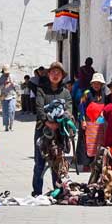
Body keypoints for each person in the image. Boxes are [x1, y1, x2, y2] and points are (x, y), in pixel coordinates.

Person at [32, 61, 73, 197]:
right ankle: (37, 192)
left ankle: (57, 191)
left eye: (58, 73)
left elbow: (69, 108)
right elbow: (39, 107)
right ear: (48, 74)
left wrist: (62, 121)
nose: (55, 75)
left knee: (57, 162)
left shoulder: (65, 92)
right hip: (43, 130)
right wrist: (47, 122)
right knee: (40, 162)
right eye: (53, 72)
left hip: (59, 132)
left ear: (62, 76)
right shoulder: (41, 90)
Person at [78, 72, 107, 171]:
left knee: (98, 143)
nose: (97, 85)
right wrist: (83, 120)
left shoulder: (103, 94)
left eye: (99, 83)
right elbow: (81, 107)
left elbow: (105, 107)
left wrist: (102, 118)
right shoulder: (86, 93)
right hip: (88, 122)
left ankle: (96, 163)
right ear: (92, 84)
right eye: (95, 83)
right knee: (87, 143)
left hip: (99, 123)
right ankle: (86, 164)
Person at [0, 66, 18, 132]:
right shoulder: (1, 78)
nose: (6, 74)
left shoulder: (13, 77)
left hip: (12, 95)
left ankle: (11, 125)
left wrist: (13, 83)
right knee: (5, 112)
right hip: (4, 96)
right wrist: (4, 84)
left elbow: (17, 86)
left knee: (11, 110)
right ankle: (6, 126)